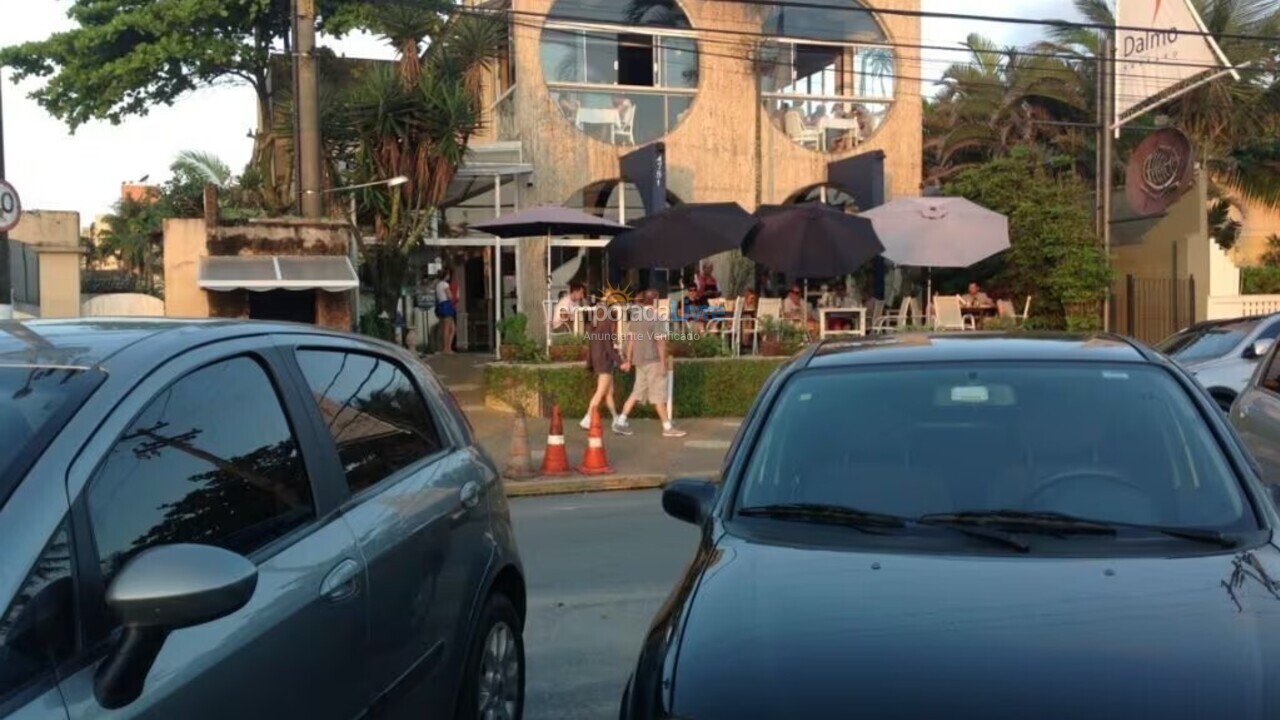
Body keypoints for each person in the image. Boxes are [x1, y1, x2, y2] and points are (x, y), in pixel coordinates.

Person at [616, 289, 686, 438]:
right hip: (653, 360)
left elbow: (631, 341)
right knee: (658, 396)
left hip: (639, 361)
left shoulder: (636, 317)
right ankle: (667, 427)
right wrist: (663, 363)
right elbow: (660, 343)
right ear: (655, 301)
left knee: (636, 392)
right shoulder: (656, 318)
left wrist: (629, 360)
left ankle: (621, 421)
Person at [582, 299, 629, 431]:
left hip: (598, 362)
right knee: (600, 393)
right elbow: (609, 348)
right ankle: (587, 418)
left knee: (608, 393)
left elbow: (591, 348)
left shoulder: (593, 326)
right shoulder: (606, 324)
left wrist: (590, 363)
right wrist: (621, 362)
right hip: (605, 363)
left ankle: (615, 418)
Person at [434, 268, 456, 354]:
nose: (449, 276)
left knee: (452, 328)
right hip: (447, 305)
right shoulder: (445, 285)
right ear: (445, 275)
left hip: (441, 305)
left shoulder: (438, 285)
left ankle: (448, 347)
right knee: (448, 328)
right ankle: (446, 348)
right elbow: (450, 296)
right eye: (448, 275)